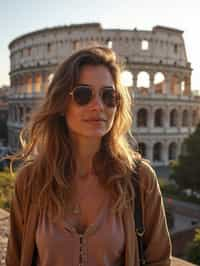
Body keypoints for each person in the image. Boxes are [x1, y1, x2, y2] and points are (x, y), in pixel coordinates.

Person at [6, 46, 172, 266]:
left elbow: (159, 261)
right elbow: (16, 260)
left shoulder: (141, 179)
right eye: (83, 95)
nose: (98, 106)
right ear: (61, 104)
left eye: (108, 96)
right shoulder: (30, 180)